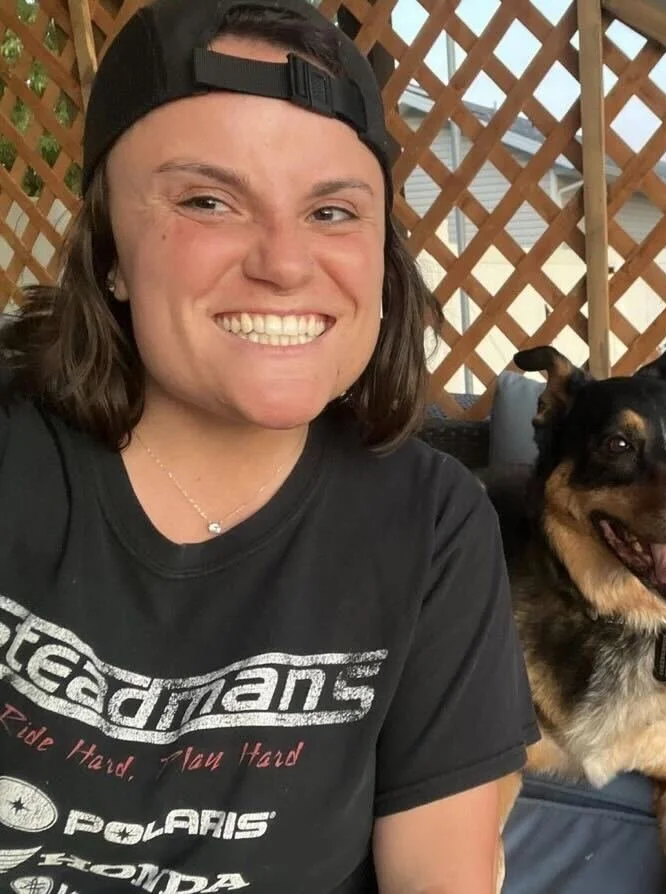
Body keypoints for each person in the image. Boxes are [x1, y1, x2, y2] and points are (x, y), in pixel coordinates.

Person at [0, 1, 538, 891]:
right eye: (208, 200)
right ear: (111, 256)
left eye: (332, 211)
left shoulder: (430, 525)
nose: (285, 263)